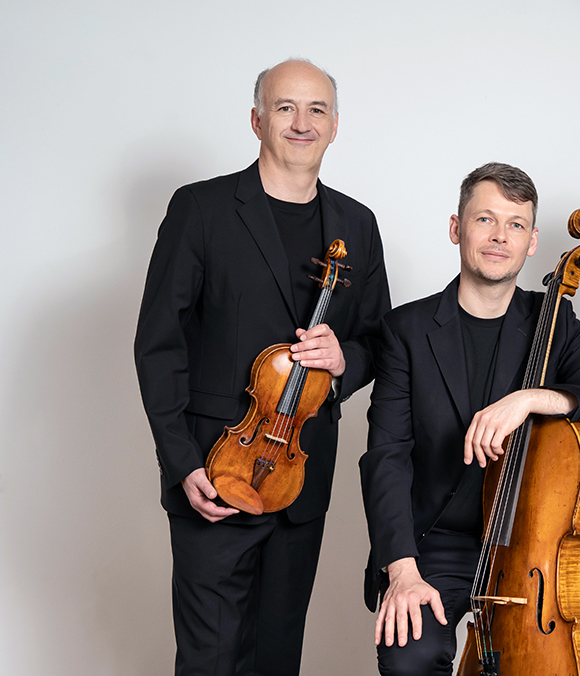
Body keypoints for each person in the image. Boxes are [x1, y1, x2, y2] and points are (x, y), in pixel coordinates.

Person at [134, 59, 391, 675]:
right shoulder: (200, 209)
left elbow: (379, 341)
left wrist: (344, 360)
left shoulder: (357, 223)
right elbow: (158, 344)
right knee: (211, 658)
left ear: (335, 128)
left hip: (298, 478)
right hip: (216, 474)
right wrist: (181, 461)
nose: (301, 123)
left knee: (278, 657)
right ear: (256, 120)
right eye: (284, 108)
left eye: (317, 110)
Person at [360, 162, 580, 676]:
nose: (499, 237)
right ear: (456, 228)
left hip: (531, 543)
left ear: (532, 241)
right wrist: (401, 569)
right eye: (485, 219)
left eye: (515, 225)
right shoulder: (406, 330)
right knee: (410, 659)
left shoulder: (551, 320)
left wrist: (534, 397)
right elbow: (386, 457)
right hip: (436, 547)